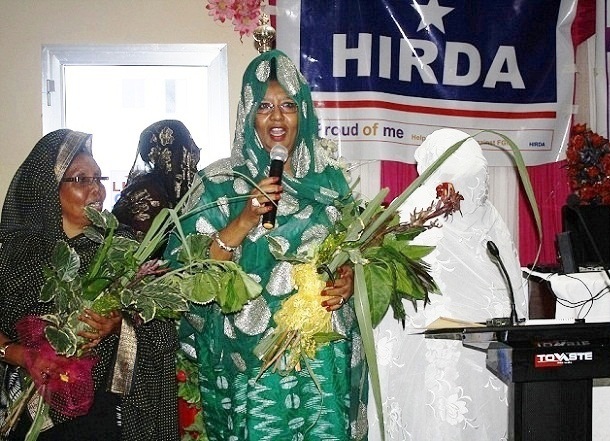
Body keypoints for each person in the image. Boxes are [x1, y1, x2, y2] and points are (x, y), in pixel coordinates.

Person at [168, 50, 368, 440]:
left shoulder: (332, 182)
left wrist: (349, 281)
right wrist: (244, 220)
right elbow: (187, 274)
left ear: (303, 113)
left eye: (288, 105)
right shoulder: (219, 183)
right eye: (264, 106)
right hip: (251, 363)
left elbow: (357, 253)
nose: (277, 117)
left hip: (321, 360)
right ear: (249, 115)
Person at [0, 129, 178, 440]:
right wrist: (21, 355)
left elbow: (162, 327)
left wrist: (120, 325)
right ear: (49, 189)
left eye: (98, 178)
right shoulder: (15, 254)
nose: (96, 190)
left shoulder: (121, 248)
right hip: (25, 409)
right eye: (81, 180)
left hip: (99, 414)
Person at [368, 128, 527, 441]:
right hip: (442, 355)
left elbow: (511, 289)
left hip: (470, 354)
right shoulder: (420, 211)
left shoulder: (485, 217)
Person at [112, 120, 200, 242]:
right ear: (165, 154)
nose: (193, 153)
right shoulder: (147, 192)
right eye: (184, 149)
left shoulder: (178, 189)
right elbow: (139, 249)